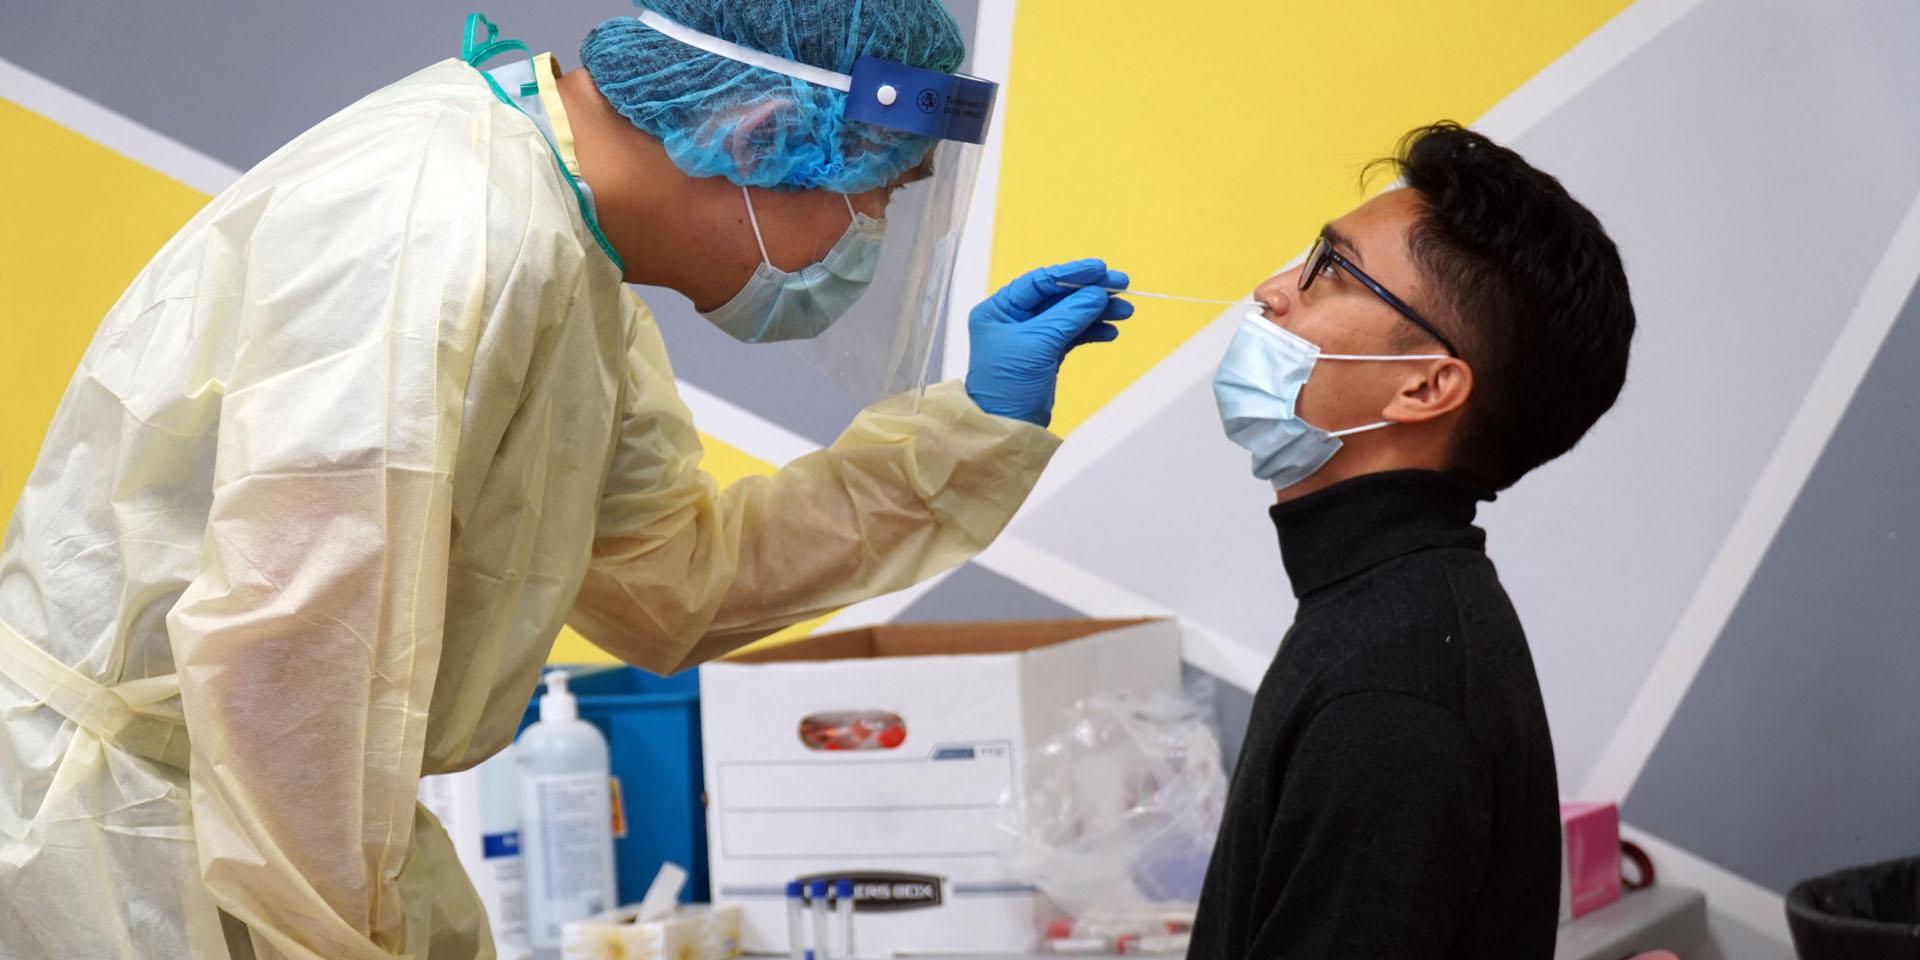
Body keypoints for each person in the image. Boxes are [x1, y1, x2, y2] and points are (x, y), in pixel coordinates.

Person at [0, 2, 1132, 958]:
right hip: (133, 848)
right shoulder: (441, 231)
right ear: (757, 135)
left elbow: (672, 580)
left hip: (259, 829)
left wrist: (973, 428)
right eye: (878, 194)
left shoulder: (556, 240)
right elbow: (293, 663)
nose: (872, 235)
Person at [1192, 122, 1636, 959]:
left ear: (1426, 386)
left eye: (1331, 270)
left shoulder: (1392, 692)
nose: (1273, 288)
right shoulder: (1389, 612)